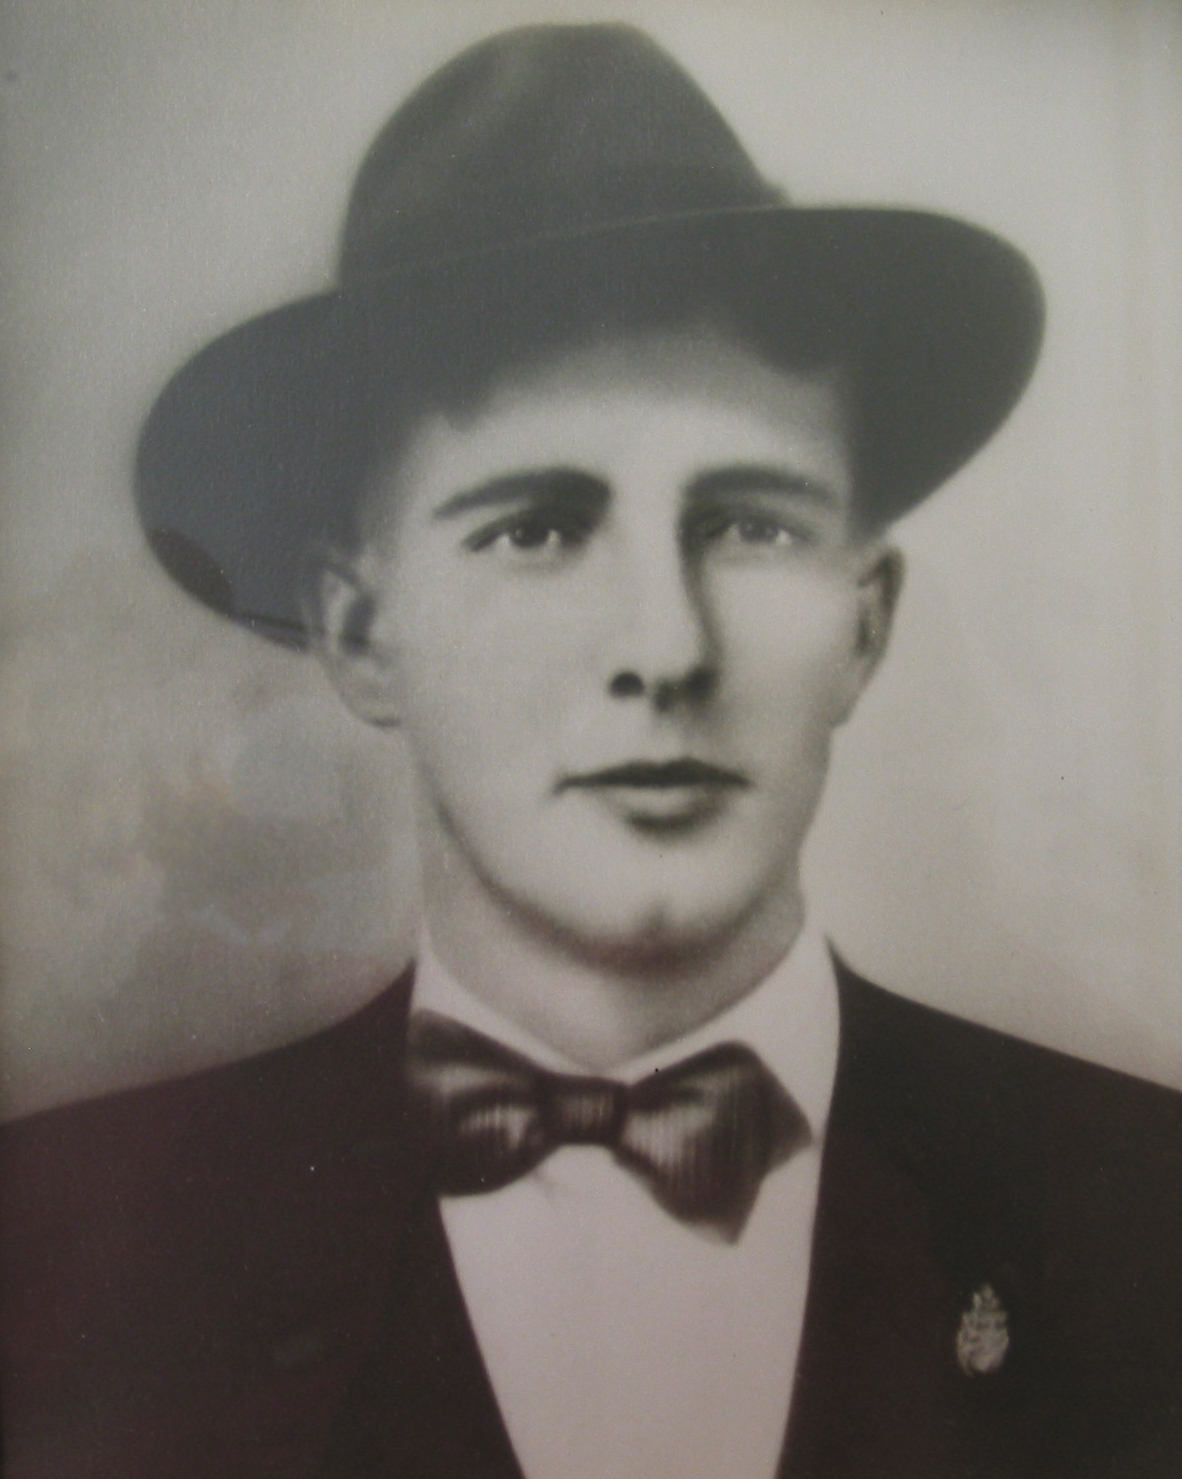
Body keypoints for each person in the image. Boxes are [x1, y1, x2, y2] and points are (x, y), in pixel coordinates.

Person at [2, 23, 1180, 1479]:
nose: (665, 649)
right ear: (361, 632)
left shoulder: (1143, 1210)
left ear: (865, 621)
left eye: (749, 525)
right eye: (537, 530)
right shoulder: (63, 1251)